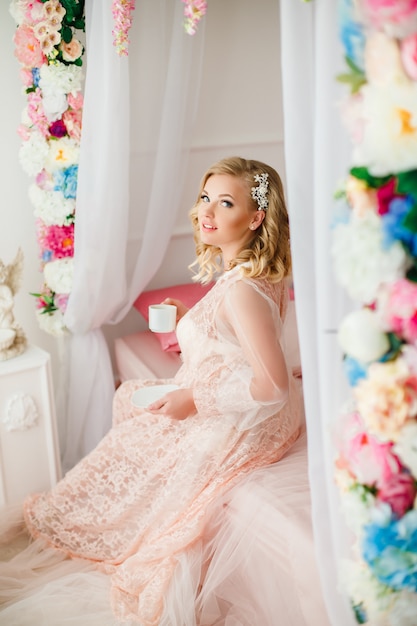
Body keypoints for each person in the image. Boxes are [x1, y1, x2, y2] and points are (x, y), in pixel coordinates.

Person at [0, 157, 328, 625]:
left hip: (255, 424)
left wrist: (194, 400)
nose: (206, 211)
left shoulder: (243, 290)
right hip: (251, 408)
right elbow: (233, 347)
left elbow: (272, 386)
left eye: (226, 202)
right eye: (205, 198)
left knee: (141, 425)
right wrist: (187, 320)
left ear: (256, 218)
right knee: (133, 401)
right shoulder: (252, 274)